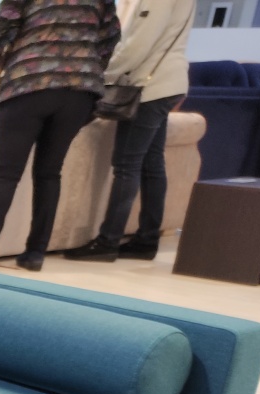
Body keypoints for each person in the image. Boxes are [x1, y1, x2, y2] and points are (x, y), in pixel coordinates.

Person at [0, 0, 121, 271]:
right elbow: (110, 39)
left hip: (28, 83)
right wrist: (84, 65)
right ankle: (35, 254)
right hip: (79, 90)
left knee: (5, 174)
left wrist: (15, 61)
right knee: (49, 172)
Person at [64, 0, 194, 262]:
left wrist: (104, 72)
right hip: (169, 81)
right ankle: (147, 240)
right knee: (151, 164)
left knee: (127, 165)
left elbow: (139, 43)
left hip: (149, 86)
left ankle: (107, 242)